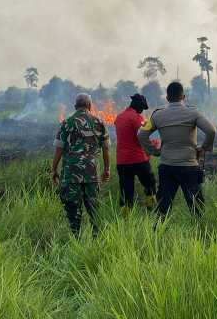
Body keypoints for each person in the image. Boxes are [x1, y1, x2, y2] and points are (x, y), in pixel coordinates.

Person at [138, 82, 216, 219]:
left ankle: (158, 236)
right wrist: (204, 148)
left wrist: (154, 151)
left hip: (166, 166)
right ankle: (202, 234)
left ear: (167, 98)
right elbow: (211, 130)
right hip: (189, 166)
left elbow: (141, 135)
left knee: (163, 207)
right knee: (197, 207)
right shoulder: (193, 113)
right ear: (183, 96)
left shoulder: (157, 115)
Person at [51, 93, 111, 236]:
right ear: (90, 106)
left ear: (75, 106)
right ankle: (97, 239)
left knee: (72, 209)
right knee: (94, 209)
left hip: (71, 174)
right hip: (91, 173)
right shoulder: (99, 122)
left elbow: (59, 149)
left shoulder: (66, 123)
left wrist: (53, 170)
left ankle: (75, 238)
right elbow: (106, 149)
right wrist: (107, 169)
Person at [114, 93, 156, 212]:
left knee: (126, 191)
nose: (142, 111)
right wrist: (152, 145)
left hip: (122, 161)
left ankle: (126, 219)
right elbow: (141, 137)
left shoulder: (119, 117)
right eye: (142, 108)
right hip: (138, 159)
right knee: (150, 184)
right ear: (137, 105)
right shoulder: (136, 118)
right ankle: (151, 209)